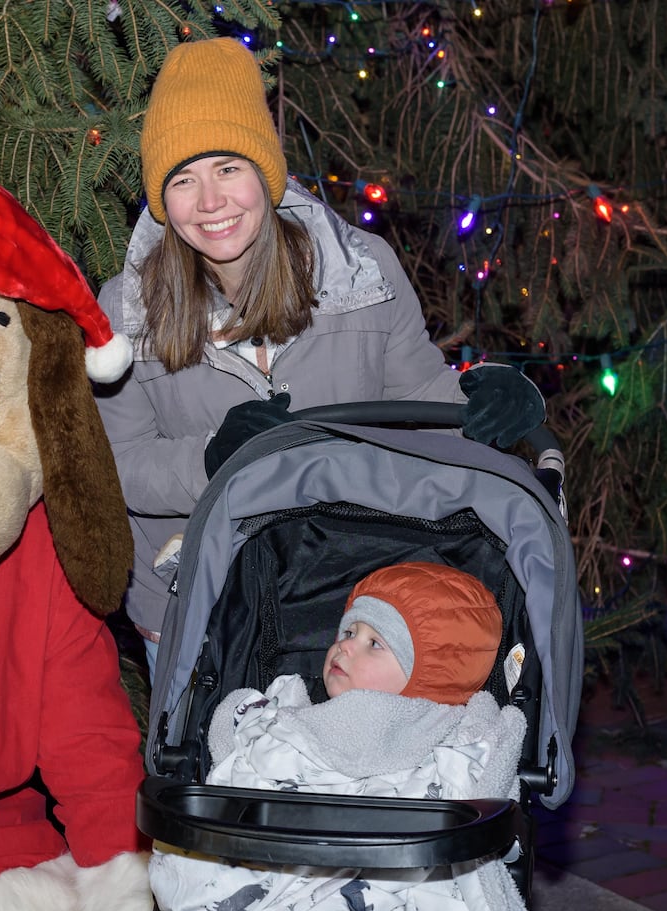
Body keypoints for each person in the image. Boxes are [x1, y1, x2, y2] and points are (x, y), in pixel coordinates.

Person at [95, 38, 545, 677]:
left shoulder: (358, 276)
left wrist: (496, 396)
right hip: (196, 604)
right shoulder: (128, 311)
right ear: (161, 200)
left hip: (340, 600)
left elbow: (422, 405)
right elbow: (118, 467)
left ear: (265, 172)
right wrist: (210, 460)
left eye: (229, 168)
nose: (210, 202)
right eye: (183, 180)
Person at [148, 561, 552, 911]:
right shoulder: (290, 718)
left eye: (374, 643)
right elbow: (239, 759)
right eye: (348, 631)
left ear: (426, 672)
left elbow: (491, 799)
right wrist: (247, 726)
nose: (346, 647)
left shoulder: (454, 744)